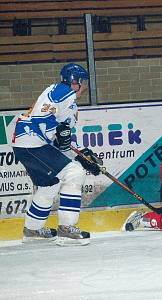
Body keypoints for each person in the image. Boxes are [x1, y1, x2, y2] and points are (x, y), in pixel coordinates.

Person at [12, 63, 101, 246]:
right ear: (73, 81)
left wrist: (82, 155)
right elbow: (42, 119)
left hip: (28, 144)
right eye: (82, 82)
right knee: (74, 173)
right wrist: (58, 131)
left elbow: (63, 140)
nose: (84, 86)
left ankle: (33, 230)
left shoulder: (71, 104)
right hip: (32, 142)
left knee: (49, 185)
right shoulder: (61, 91)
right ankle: (66, 229)